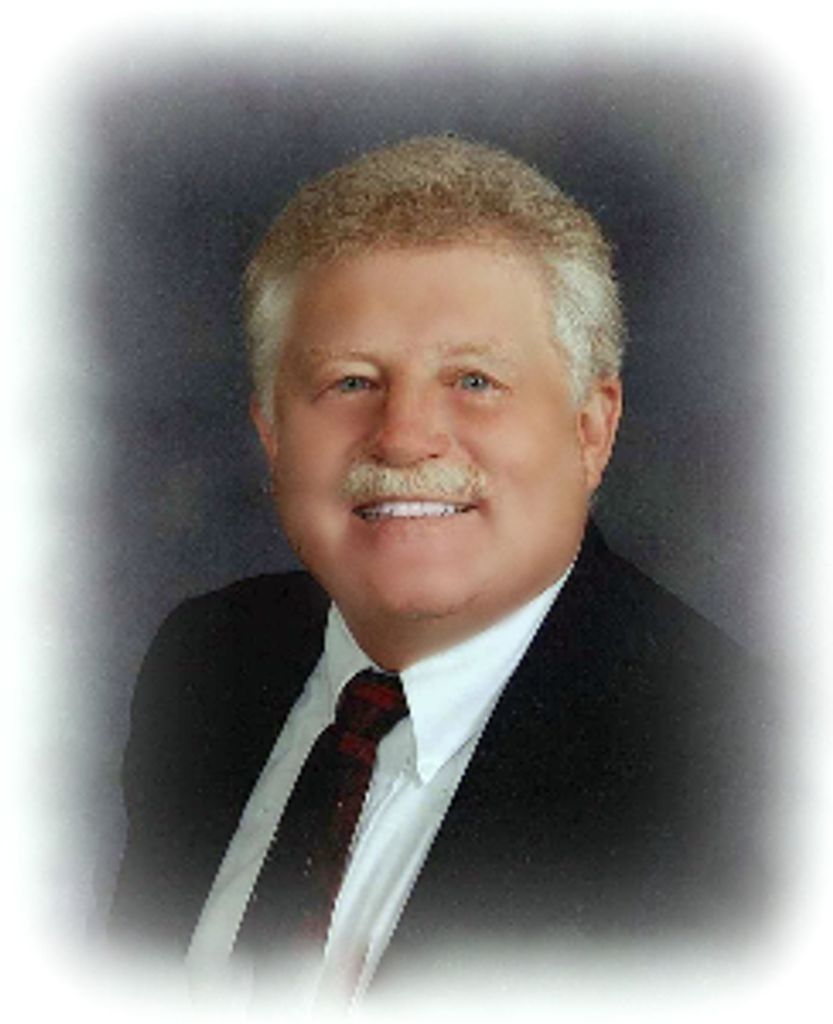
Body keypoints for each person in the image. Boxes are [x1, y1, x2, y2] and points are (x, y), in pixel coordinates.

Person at [109, 136, 773, 1004]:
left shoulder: (742, 775)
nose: (403, 437)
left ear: (589, 429)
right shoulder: (208, 660)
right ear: (272, 432)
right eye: (351, 382)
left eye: (473, 380)